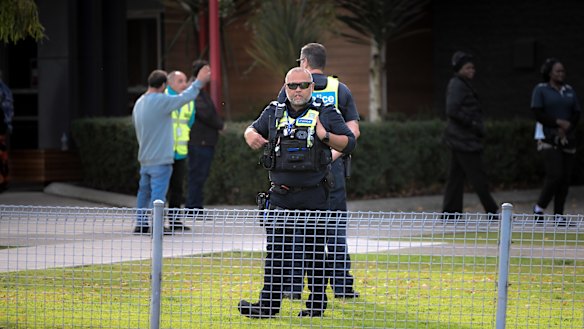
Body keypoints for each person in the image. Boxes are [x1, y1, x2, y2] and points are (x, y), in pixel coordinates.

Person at [239, 67, 356, 318]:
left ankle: (316, 304)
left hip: (314, 194)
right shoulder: (274, 111)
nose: (298, 90)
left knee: (314, 252)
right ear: (285, 87)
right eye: (292, 86)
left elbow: (350, 141)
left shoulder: (325, 112)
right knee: (277, 253)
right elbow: (252, 129)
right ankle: (267, 306)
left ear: (312, 87)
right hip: (281, 194)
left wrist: (324, 135)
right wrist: (250, 135)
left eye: (303, 85)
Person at [277, 42, 361, 299]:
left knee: (298, 232)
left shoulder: (291, 89)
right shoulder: (340, 89)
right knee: (334, 230)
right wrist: (329, 157)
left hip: (299, 175)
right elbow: (354, 132)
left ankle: (293, 290)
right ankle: (342, 289)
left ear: (303, 62)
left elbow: (277, 127)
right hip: (332, 173)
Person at [132, 67, 211, 234]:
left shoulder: (139, 103)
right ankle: (158, 227)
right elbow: (186, 97)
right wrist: (199, 82)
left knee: (143, 192)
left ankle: (141, 224)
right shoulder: (161, 101)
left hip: (144, 158)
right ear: (163, 85)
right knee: (158, 195)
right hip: (161, 159)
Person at [441, 51, 499, 220]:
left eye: (473, 67)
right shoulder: (457, 85)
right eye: (468, 67)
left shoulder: (462, 84)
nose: (472, 70)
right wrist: (472, 124)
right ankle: (492, 211)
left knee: (456, 177)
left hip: (462, 139)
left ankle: (450, 213)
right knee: (478, 176)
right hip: (463, 140)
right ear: (459, 69)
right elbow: (452, 110)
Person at [531, 58, 581, 227]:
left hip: (567, 138)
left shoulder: (569, 90)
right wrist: (557, 123)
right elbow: (538, 112)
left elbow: (576, 112)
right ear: (549, 73)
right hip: (548, 137)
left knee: (565, 178)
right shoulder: (541, 90)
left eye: (562, 71)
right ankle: (539, 207)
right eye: (557, 71)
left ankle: (559, 215)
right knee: (555, 174)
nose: (561, 74)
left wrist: (568, 126)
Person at [185, 60, 224, 210]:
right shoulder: (193, 91)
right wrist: (220, 125)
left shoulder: (200, 91)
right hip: (198, 140)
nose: (210, 74)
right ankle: (193, 207)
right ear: (198, 72)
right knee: (197, 175)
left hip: (204, 140)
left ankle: (195, 205)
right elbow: (204, 113)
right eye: (206, 70)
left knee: (200, 175)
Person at [165, 70, 194, 231]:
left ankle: (175, 222)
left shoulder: (188, 101)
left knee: (177, 189)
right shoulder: (163, 98)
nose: (184, 84)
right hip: (163, 152)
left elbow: (189, 122)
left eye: (185, 81)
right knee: (162, 190)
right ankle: (158, 223)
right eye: (180, 81)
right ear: (170, 83)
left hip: (180, 152)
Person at [0, 70, 13, 192]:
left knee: (2, 157)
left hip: (0, 129)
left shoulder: (4, 90)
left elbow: (8, 110)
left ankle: (3, 181)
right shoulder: (5, 90)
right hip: (1, 128)